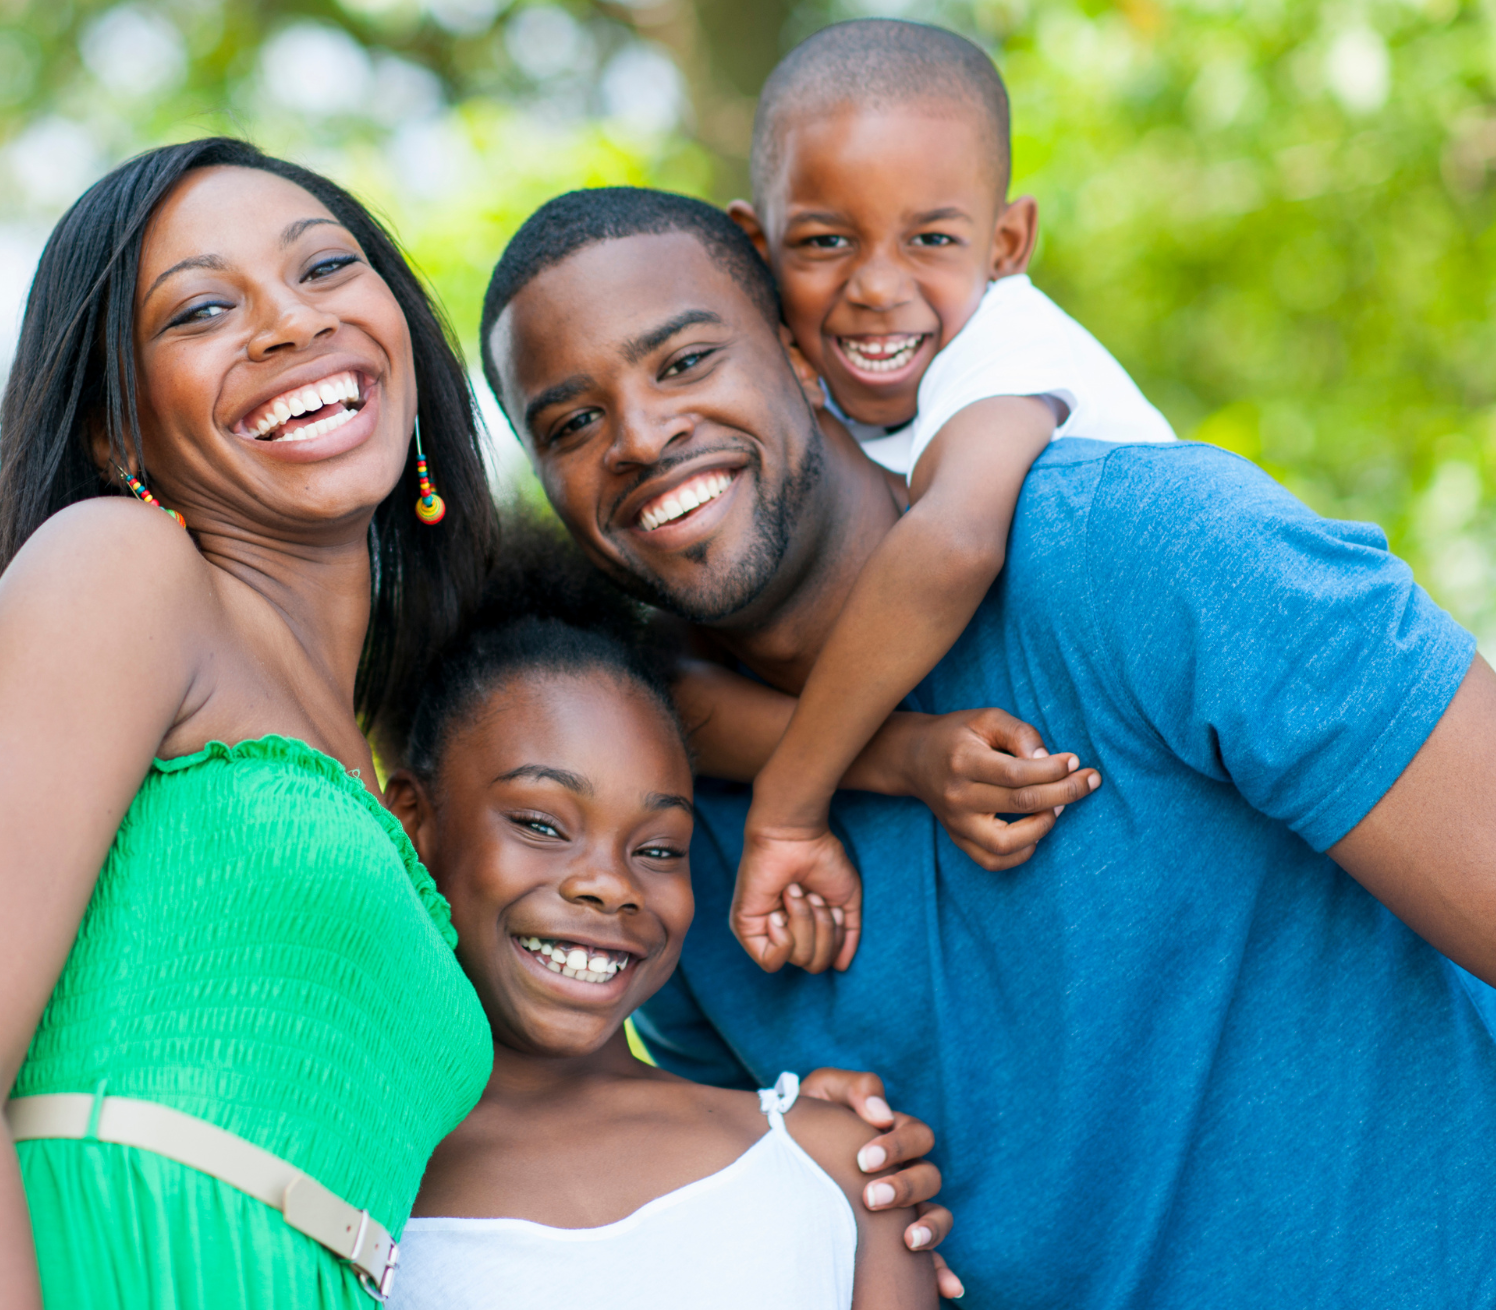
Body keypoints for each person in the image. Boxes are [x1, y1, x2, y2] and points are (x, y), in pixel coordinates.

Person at [477, 184, 1496, 1306]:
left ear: (801, 352)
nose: (637, 436)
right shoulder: (652, 841)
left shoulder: (1141, 554)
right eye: (570, 424)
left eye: (682, 362)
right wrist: (806, 1162)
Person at [0, 137, 505, 1309]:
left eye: (326, 269)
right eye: (200, 308)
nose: (291, 324)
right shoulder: (124, 566)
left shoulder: (385, 778)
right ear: (117, 435)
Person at [711, 20, 1175, 971]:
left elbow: (954, 542)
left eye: (930, 238)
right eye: (824, 240)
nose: (878, 286)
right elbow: (674, 693)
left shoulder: (1009, 345)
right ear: (754, 249)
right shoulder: (809, 403)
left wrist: (789, 807)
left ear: (1007, 242)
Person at [379, 533, 937, 1308]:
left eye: (658, 847)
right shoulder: (349, 1182)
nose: (611, 887)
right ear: (413, 824)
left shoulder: (831, 1164)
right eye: (541, 824)